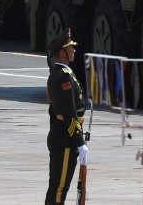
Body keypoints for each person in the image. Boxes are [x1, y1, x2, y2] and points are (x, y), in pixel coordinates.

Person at [45, 28, 86, 205]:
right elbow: (69, 113)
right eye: (71, 47)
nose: (74, 50)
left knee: (57, 186)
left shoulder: (60, 73)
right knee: (60, 188)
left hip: (60, 134)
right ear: (62, 52)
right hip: (65, 139)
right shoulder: (63, 77)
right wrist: (79, 141)